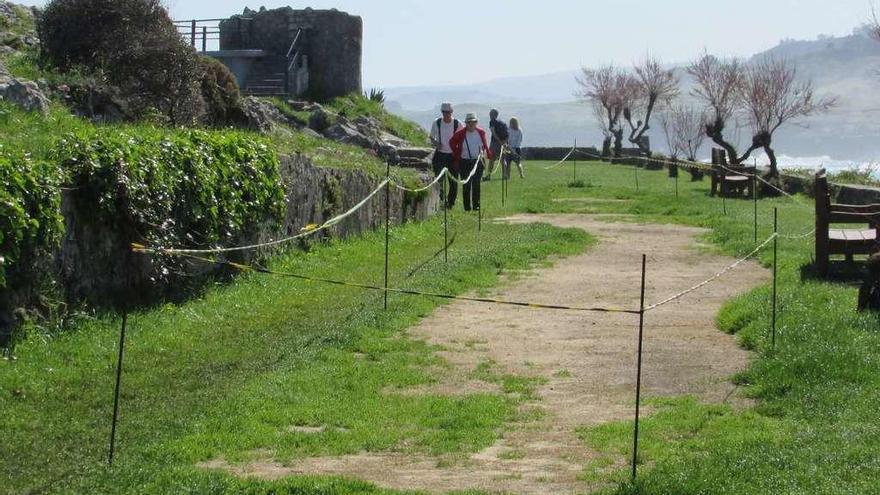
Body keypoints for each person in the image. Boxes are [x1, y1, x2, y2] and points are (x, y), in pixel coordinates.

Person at [450, 113, 492, 211]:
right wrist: (457, 152)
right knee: (466, 185)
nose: (471, 124)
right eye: (469, 122)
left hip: (478, 162)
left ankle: (476, 206)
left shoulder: (481, 132)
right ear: (466, 123)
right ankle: (467, 207)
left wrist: (487, 153)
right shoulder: (460, 133)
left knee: (476, 184)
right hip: (464, 162)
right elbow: (452, 142)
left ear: (476, 122)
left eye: (473, 122)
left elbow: (484, 144)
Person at [429, 102, 461, 208]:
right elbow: (431, 137)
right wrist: (436, 144)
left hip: (453, 155)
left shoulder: (457, 124)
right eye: (444, 112)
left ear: (451, 112)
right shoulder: (437, 123)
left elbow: (462, 138)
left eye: (448, 112)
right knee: (439, 180)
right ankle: (441, 200)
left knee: (453, 181)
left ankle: (450, 203)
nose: (446, 114)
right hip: (440, 155)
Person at [483, 108, 508, 181]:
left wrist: (499, 141)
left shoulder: (492, 121)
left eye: (490, 113)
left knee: (491, 160)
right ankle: (505, 175)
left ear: (492, 115)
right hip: (503, 143)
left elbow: (493, 132)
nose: (489, 115)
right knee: (503, 160)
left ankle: (488, 176)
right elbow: (507, 134)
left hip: (495, 143)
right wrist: (504, 142)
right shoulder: (503, 122)